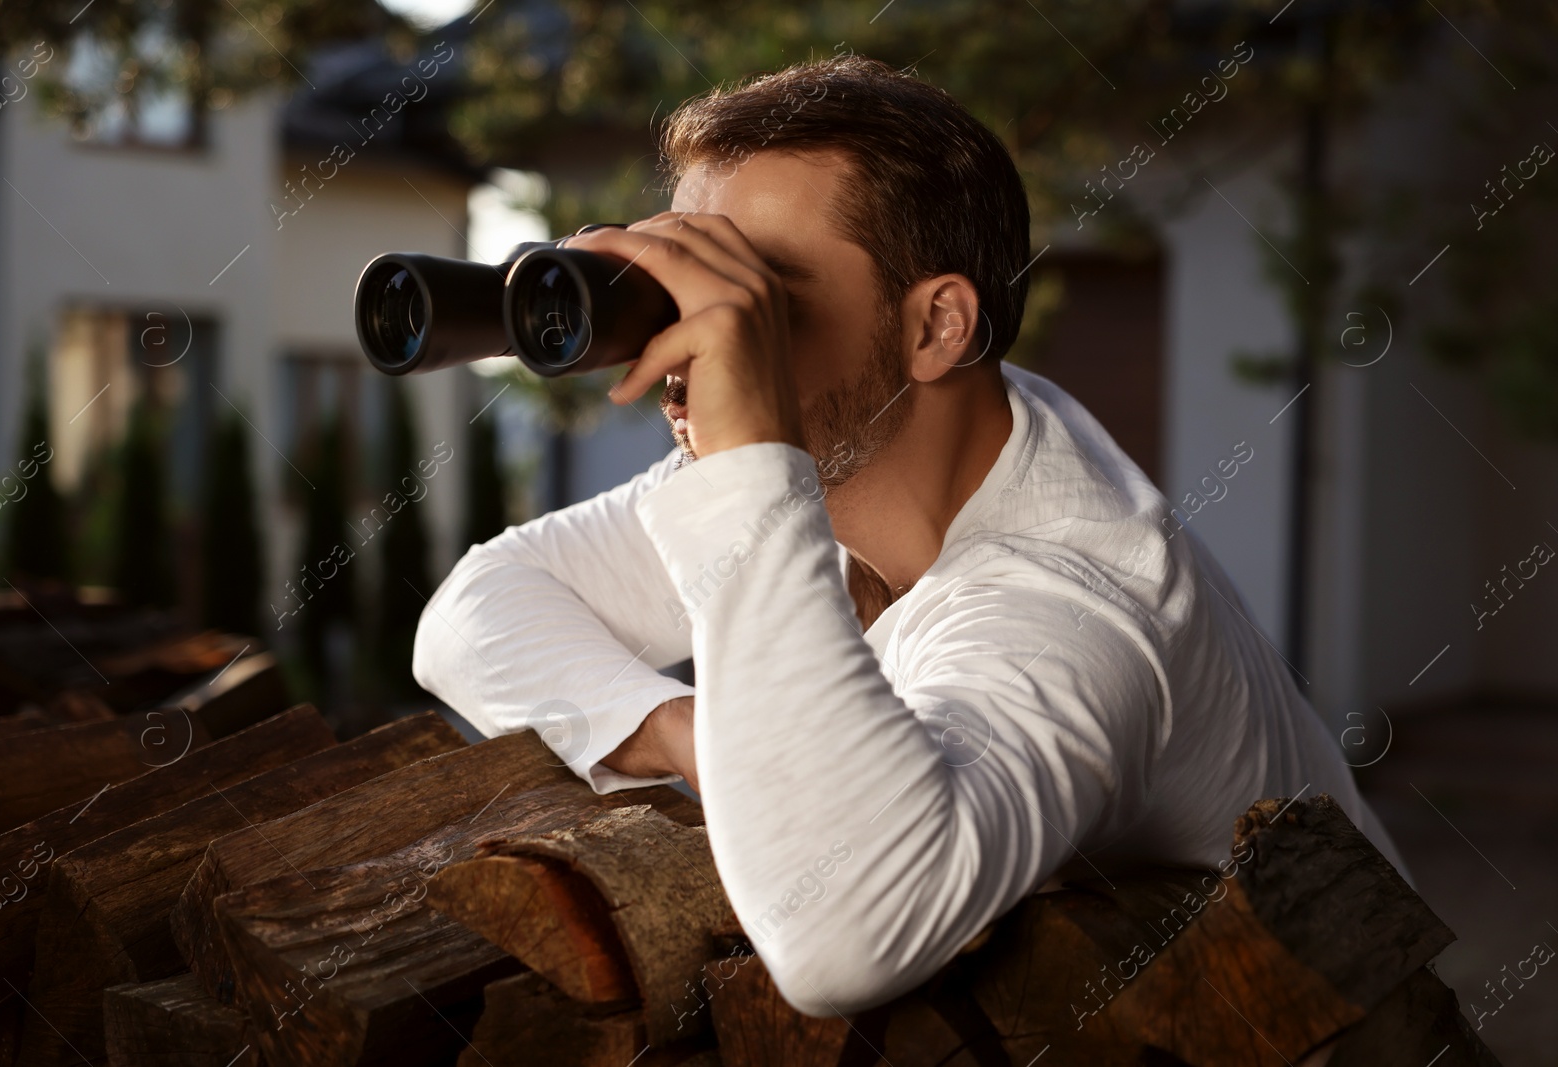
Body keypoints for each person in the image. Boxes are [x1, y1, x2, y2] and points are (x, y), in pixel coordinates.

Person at [413, 53, 1406, 1018]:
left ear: (936, 327)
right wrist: (686, 733)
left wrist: (746, 469)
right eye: (691, 276)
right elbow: (470, 613)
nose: (716, 329)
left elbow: (839, 941)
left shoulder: (1073, 602)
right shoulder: (882, 447)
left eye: (762, 291)